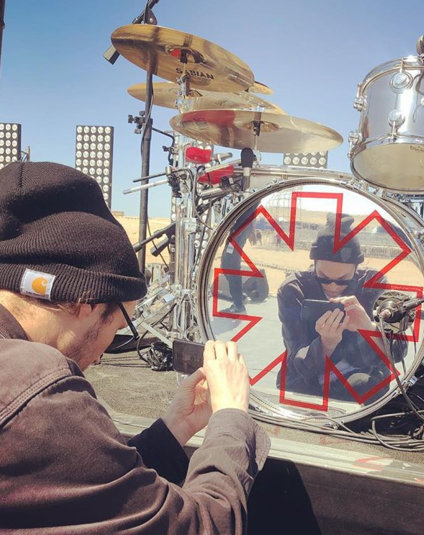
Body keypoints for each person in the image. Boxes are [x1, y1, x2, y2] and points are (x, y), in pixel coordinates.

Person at [0, 162, 269, 533]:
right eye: (119, 325)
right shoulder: (36, 389)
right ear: (86, 302)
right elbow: (202, 526)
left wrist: (174, 428)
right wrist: (231, 416)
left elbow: (83, 489)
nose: (102, 355)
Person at [277, 213, 404, 402]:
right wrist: (326, 344)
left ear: (356, 269)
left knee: (366, 387)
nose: (333, 286)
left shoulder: (373, 284)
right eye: (323, 277)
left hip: (362, 376)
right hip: (307, 381)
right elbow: (298, 359)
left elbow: (398, 353)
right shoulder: (294, 289)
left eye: (343, 279)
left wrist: (368, 328)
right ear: (313, 265)